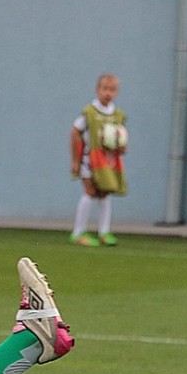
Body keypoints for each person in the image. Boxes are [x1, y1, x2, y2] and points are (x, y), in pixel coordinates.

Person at [71, 74, 128, 247]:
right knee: (89, 191)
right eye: (105, 89)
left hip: (107, 162)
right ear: (97, 90)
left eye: (112, 90)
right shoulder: (89, 112)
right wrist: (75, 159)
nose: (108, 93)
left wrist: (122, 146)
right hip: (89, 158)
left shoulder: (117, 114)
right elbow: (75, 133)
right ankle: (78, 232)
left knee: (104, 193)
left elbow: (121, 136)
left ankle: (104, 231)